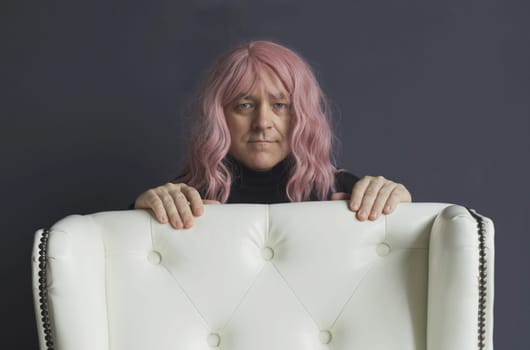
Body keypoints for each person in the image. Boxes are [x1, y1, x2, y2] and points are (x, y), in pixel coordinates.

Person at [131, 40, 412, 229]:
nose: (262, 122)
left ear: (301, 115)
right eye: (244, 105)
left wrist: (401, 202)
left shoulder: (345, 193)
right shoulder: (184, 198)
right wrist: (139, 211)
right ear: (220, 116)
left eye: (280, 106)